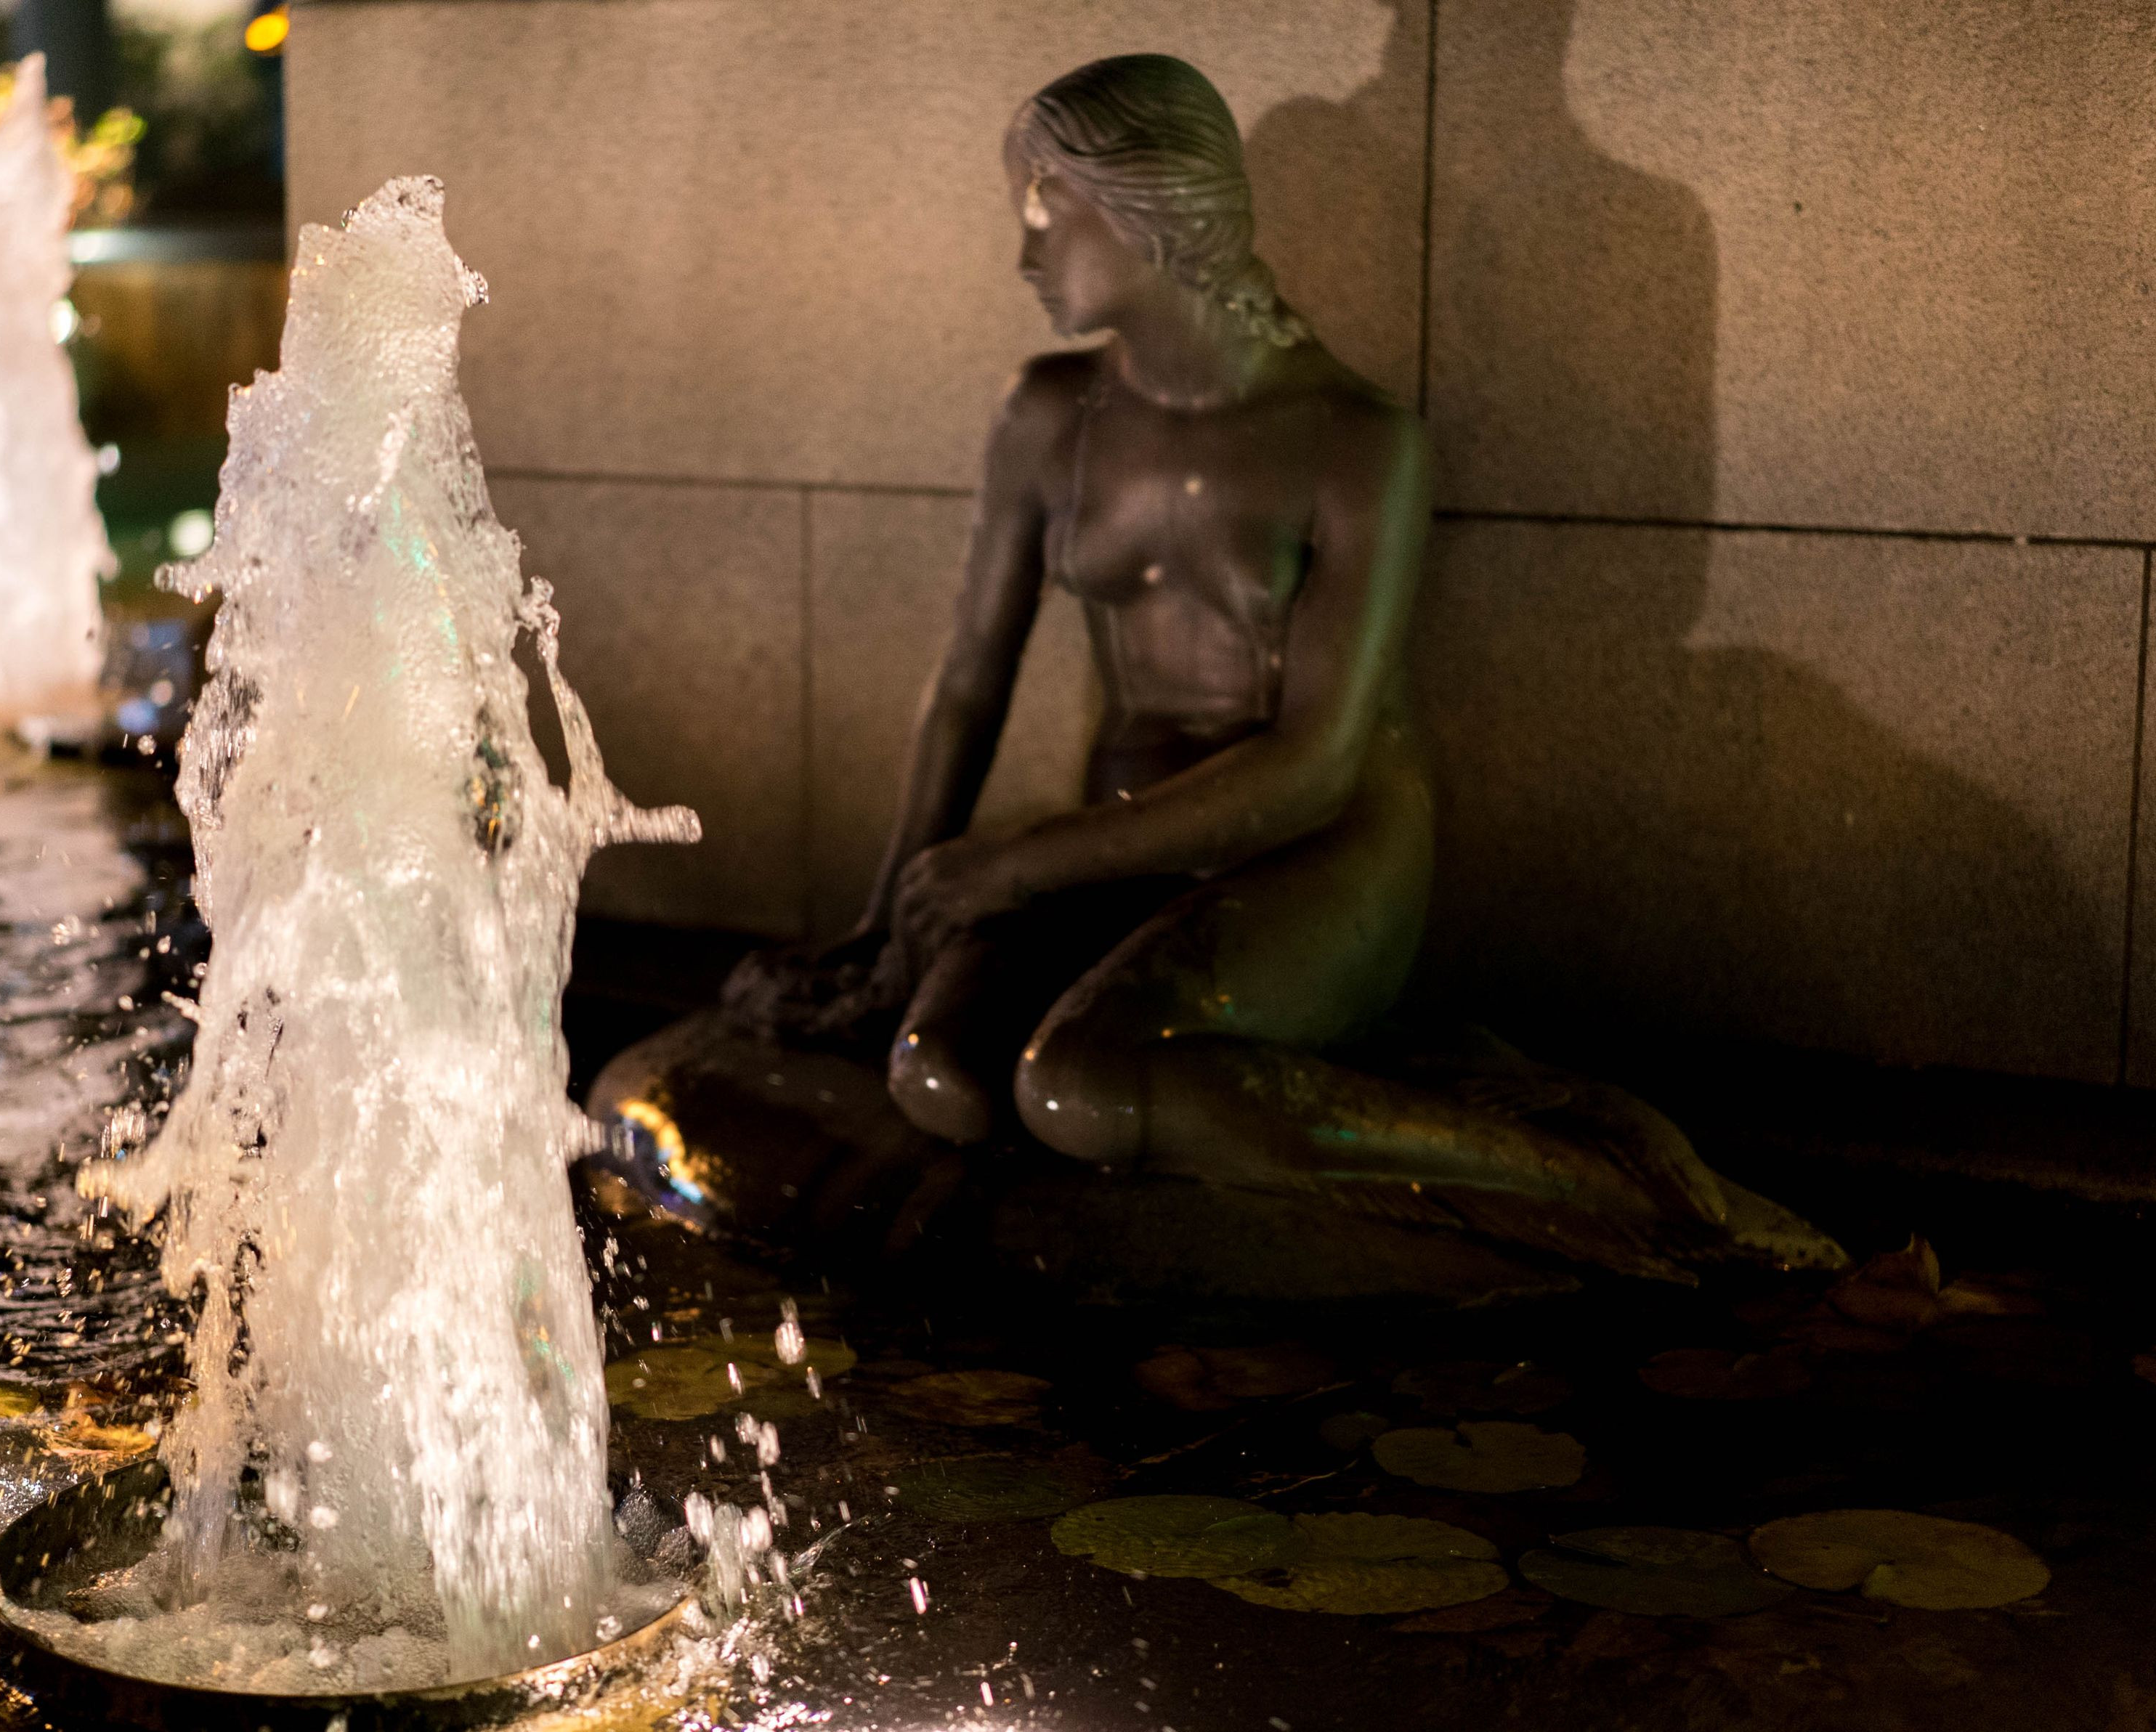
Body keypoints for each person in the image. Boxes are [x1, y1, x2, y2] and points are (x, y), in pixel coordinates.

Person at [698, 54, 1834, 1282]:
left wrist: (1020, 862)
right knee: (941, 1075)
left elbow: (1313, 765)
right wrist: (890, 915)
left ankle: (1584, 1169)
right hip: (1122, 839)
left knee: (1076, 1086)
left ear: (1150, 213)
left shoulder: (1358, 443)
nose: (1024, 254)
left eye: (1043, 212)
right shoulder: (1045, 415)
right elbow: (970, 680)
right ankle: (1308, 1069)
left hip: (1322, 847)